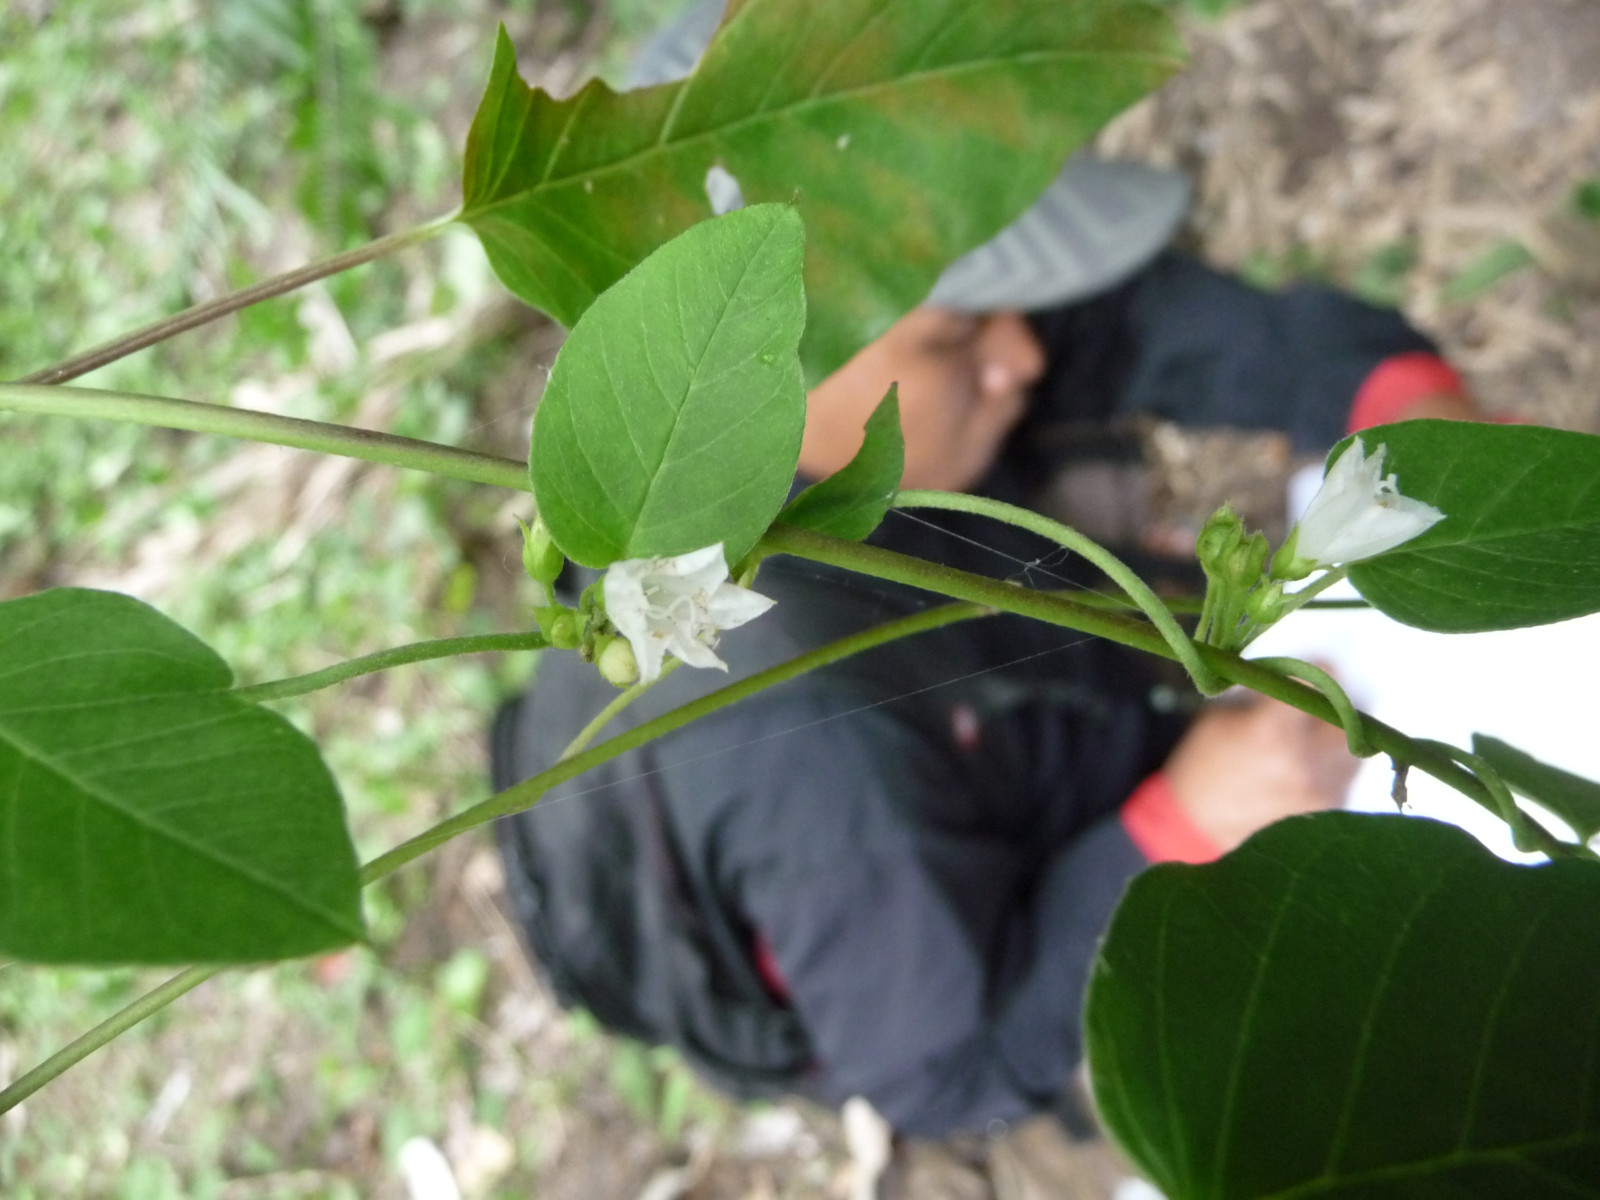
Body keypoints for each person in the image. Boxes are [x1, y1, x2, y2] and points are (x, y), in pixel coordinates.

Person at [490, 0, 1483, 1153]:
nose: (1018, 355)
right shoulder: (819, 752)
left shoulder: (858, 383)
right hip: (918, 877)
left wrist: (1391, 398)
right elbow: (952, 1075)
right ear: (772, 372)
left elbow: (1130, 322)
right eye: (961, 337)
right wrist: (1177, 827)